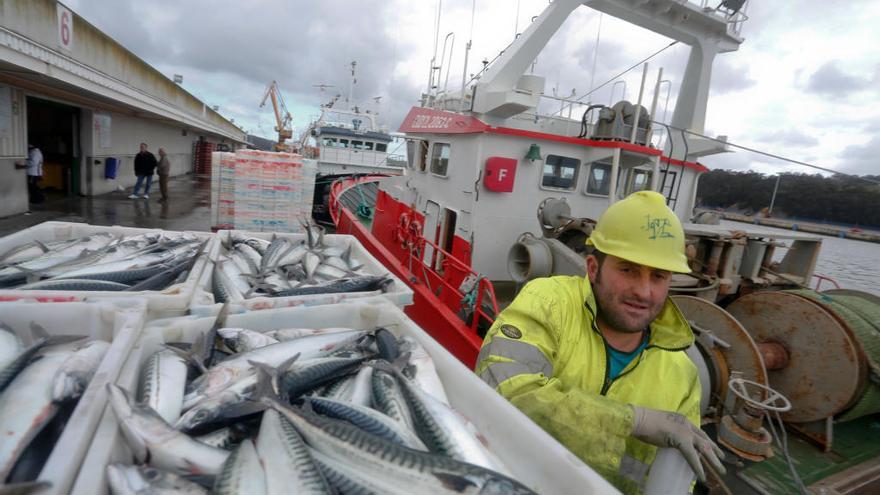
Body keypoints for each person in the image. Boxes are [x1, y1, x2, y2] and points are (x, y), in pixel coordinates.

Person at [475, 191, 725, 494]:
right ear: (593, 268)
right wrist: (635, 421)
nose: (644, 292)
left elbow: (676, 482)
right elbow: (499, 389)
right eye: (628, 270)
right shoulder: (548, 303)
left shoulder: (682, 376)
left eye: (658, 276)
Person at [15, 144, 44, 209]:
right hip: (33, 173)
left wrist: (23, 164)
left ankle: (37, 200)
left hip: (33, 173)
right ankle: (37, 199)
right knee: (33, 187)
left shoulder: (35, 152)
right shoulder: (34, 152)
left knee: (33, 187)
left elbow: (33, 162)